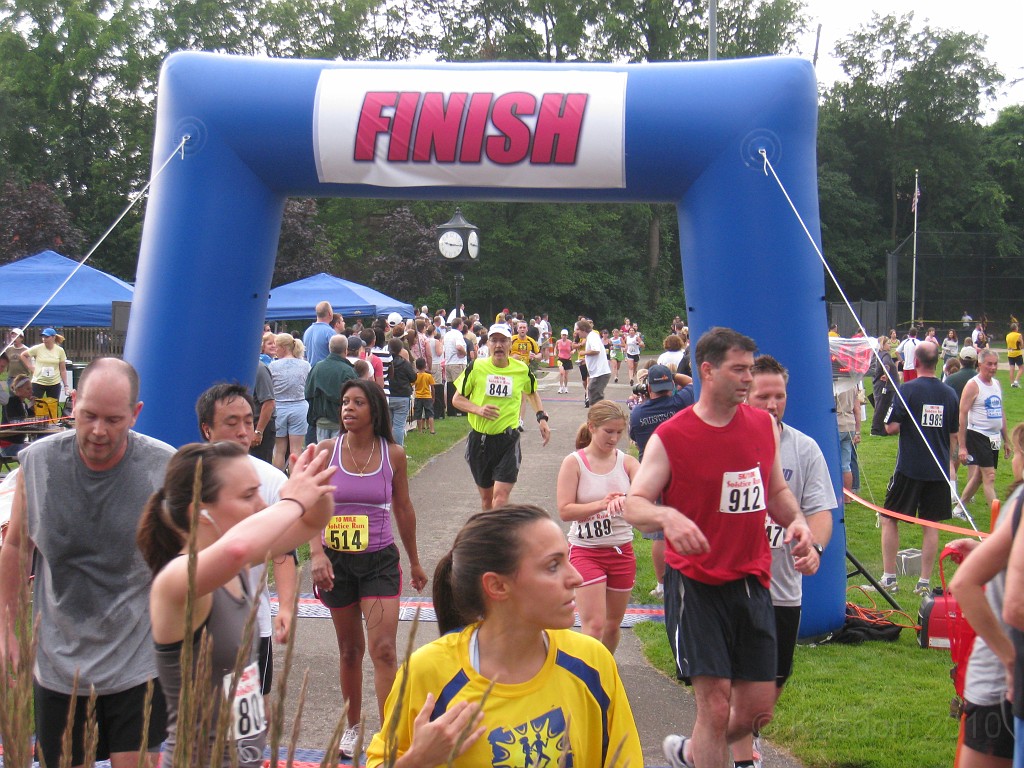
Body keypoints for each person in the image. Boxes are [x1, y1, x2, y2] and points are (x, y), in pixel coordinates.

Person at [625, 327, 812, 768]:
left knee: (755, 710)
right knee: (713, 705)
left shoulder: (762, 426)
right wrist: (667, 516)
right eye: (739, 369)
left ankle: (690, 754)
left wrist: (799, 522)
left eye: (750, 368)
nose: (748, 379)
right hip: (696, 582)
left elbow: (777, 490)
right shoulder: (671, 436)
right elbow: (634, 504)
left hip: (751, 579)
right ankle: (705, 752)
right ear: (707, 371)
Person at [363, 505, 643, 768]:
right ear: (497, 586)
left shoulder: (592, 663)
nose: (577, 578)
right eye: (553, 566)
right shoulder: (428, 673)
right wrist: (416, 761)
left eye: (567, 559)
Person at [0, 358, 175, 768]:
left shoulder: (162, 468)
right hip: (59, 662)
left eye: (114, 420)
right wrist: (7, 631)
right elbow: (15, 548)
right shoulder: (39, 464)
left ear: (136, 413)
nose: (98, 431)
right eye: (89, 415)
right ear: (73, 402)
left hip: (137, 660)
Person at [139, 441, 334, 768]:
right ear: (199, 513)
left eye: (259, 492)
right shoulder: (177, 580)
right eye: (247, 496)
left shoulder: (238, 568)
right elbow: (237, 549)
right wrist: (290, 500)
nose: (261, 504)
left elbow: (313, 522)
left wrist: (315, 487)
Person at [309, 379, 428, 759]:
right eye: (344, 402)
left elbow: (404, 509)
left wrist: (414, 560)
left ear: (374, 411)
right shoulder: (328, 451)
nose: (348, 409)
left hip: (379, 561)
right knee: (349, 651)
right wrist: (316, 554)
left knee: (384, 650)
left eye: (357, 403)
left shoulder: (392, 454)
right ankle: (353, 727)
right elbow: (309, 505)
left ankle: (389, 731)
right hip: (336, 564)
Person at [731, 355, 835, 768]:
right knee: (739, 681)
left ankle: (713, 741)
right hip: (733, 583)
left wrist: (815, 548)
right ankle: (742, 759)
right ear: (745, 396)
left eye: (780, 396)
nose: (772, 404)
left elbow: (821, 511)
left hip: (783, 586)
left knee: (766, 696)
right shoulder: (725, 441)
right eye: (764, 396)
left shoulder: (804, 448)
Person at [196, 382, 300, 696]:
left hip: (251, 626)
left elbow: (283, 552)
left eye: (249, 421)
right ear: (207, 430)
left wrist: (285, 607)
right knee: (196, 725)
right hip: (193, 627)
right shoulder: (184, 475)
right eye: (231, 423)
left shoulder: (270, 479)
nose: (244, 431)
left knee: (248, 728)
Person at [948, 423, 1024, 768]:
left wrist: (984, 550)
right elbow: (964, 584)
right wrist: (1010, 660)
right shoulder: (1019, 503)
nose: (1014, 461)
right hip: (1000, 684)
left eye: (1018, 452)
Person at [556, 401, 640, 652]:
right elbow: (565, 510)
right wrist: (601, 505)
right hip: (586, 551)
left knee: (613, 625)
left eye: (619, 432)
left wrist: (627, 500)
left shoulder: (628, 463)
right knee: (594, 625)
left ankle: (605, 671)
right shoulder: (574, 463)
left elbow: (645, 496)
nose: (614, 438)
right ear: (592, 427)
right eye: (609, 432)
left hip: (621, 550)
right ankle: (589, 677)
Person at [880, 340, 959, 596]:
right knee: (931, 524)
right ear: (937, 362)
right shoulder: (949, 393)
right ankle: (923, 582)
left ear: (915, 360)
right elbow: (953, 434)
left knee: (889, 517)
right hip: (938, 469)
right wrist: (951, 465)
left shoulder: (908, 390)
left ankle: (889, 577)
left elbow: (889, 427)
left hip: (910, 467)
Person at [452, 324, 551, 511]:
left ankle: (498, 537)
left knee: (500, 497)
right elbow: (457, 400)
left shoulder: (521, 369)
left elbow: (532, 392)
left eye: (503, 341)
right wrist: (478, 409)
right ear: (488, 344)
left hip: (507, 439)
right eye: (494, 340)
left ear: (510, 344)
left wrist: (542, 418)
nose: (498, 345)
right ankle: (489, 534)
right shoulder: (476, 367)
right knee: (487, 500)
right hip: (479, 441)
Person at [628, 364, 695, 599]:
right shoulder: (680, 403)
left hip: (653, 476)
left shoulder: (637, 413)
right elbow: (693, 383)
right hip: (683, 473)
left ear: (647, 388)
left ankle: (662, 585)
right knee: (686, 523)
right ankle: (688, 576)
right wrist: (674, 375)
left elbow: (635, 439)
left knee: (659, 535)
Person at [958, 348, 1010, 512]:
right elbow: (963, 414)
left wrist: (1007, 440)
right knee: (990, 476)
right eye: (989, 364)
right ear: (980, 364)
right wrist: (962, 446)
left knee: (980, 477)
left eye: (995, 364)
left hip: (994, 437)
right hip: (978, 434)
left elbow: (1000, 412)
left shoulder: (996, 384)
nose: (993, 367)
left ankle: (959, 508)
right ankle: (999, 519)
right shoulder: (973, 385)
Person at [269, 333, 311, 470]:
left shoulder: (273, 366)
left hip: (279, 407)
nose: (275, 350)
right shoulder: (305, 365)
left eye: (276, 347)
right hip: (299, 406)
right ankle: (295, 480)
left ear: (282, 347)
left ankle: (279, 482)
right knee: (296, 451)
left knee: (279, 451)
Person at [305, 334, 356, 441]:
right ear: (346, 350)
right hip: (341, 420)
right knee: (338, 454)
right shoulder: (348, 371)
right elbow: (355, 397)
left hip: (321, 420)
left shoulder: (317, 367)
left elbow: (308, 393)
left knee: (323, 454)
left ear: (329, 348)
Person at [20, 327, 68, 400]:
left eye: (46, 337)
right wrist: (31, 367)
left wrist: (66, 385)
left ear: (53, 337)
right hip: (38, 382)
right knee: (35, 405)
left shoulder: (60, 350)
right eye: (43, 337)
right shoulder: (37, 348)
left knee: (52, 407)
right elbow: (23, 355)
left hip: (54, 383)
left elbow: (62, 369)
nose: (44, 339)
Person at [386, 336, 417, 447]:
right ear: (400, 349)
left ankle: (388, 447)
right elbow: (413, 377)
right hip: (402, 395)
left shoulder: (385, 361)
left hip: (388, 394)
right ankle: (398, 449)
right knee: (399, 425)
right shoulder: (404, 363)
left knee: (389, 424)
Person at [870, 335, 900, 436]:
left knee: (881, 406)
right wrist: (886, 375)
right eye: (888, 343)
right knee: (881, 407)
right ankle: (876, 430)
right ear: (883, 345)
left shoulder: (878, 354)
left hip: (880, 384)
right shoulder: (885, 355)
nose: (890, 345)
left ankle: (880, 428)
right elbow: (886, 365)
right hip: (886, 385)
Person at [0, 374, 34, 462]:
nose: (31, 391)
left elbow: (31, 419)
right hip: (10, 443)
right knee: (34, 452)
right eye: (28, 389)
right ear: (18, 390)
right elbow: (15, 422)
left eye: (31, 388)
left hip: (18, 442)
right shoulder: (11, 401)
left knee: (38, 448)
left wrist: (32, 407)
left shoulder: (23, 404)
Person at [579, 319, 611, 405]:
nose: (576, 332)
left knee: (595, 396)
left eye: (577, 330)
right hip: (598, 372)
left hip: (600, 373)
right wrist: (585, 360)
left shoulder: (592, 336)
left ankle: (600, 415)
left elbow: (596, 350)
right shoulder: (591, 336)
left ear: (583, 329)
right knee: (592, 393)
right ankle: (598, 415)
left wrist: (583, 353)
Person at [443, 317, 469, 417]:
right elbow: (458, 346)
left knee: (450, 387)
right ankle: (460, 409)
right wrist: (464, 353)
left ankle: (451, 410)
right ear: (459, 325)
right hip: (457, 363)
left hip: (448, 362)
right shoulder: (458, 334)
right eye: (462, 324)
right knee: (460, 386)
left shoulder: (447, 334)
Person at [303, 300, 336, 369]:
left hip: (312, 373)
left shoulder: (307, 331)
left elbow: (305, 356)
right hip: (326, 372)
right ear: (330, 313)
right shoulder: (330, 332)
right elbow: (336, 357)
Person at [413, 356, 435, 434]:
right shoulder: (428, 376)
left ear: (416, 366)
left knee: (418, 414)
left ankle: (420, 431)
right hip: (427, 397)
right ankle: (432, 430)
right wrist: (433, 397)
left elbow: (412, 384)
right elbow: (432, 387)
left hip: (418, 397)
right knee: (430, 414)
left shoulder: (415, 376)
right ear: (425, 365)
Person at [555, 328, 574, 394]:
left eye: (565, 335)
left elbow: (574, 349)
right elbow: (556, 348)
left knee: (566, 375)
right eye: (563, 335)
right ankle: (560, 387)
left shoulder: (570, 342)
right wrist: (555, 353)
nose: (564, 336)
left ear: (567, 336)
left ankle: (565, 387)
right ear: (561, 335)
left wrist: (573, 351)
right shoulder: (558, 342)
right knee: (561, 373)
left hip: (568, 359)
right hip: (560, 359)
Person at [1008, 323, 1023, 388]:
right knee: (1021, 368)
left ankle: (1012, 383)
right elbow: (1022, 345)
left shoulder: (1008, 335)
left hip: (1010, 353)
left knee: (1012, 368)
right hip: (1017, 353)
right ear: (1016, 328)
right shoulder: (1018, 335)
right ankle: (1016, 381)